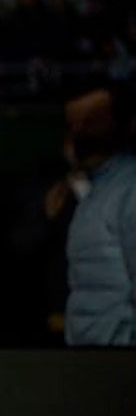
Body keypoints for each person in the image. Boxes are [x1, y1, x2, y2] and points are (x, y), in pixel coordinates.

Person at [63, 82, 136, 346]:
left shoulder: (130, 189)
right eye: (72, 122)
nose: (79, 130)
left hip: (118, 362)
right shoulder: (88, 193)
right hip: (92, 362)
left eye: (93, 121)